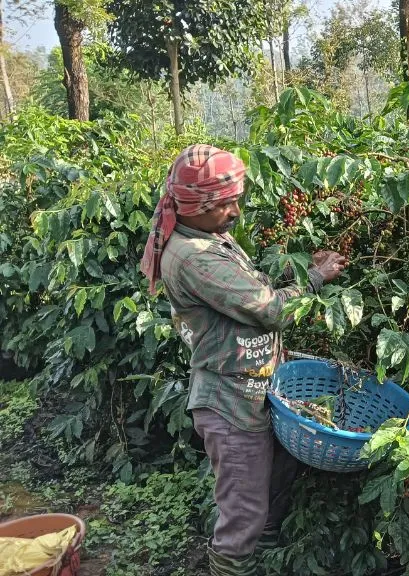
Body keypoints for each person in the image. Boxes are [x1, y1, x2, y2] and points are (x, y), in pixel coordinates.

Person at [140, 144, 346, 576]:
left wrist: (297, 271)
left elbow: (248, 290)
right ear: (198, 207)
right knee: (244, 512)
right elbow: (268, 309)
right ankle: (232, 565)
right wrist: (314, 279)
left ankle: (264, 558)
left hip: (254, 387)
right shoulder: (195, 257)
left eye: (236, 199)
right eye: (225, 204)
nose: (235, 211)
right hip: (230, 401)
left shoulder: (207, 235)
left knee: (272, 487)